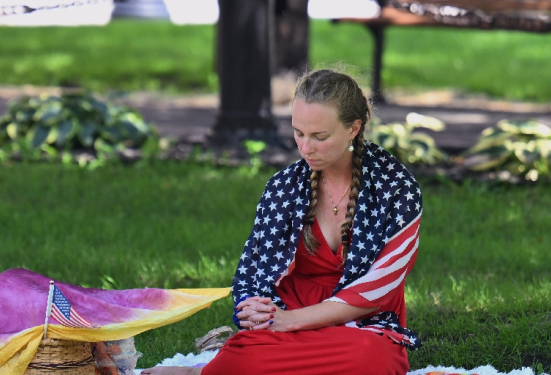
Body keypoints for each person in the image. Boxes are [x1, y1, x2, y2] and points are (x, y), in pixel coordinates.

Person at [143, 69, 422, 375]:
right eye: (298, 133)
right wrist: (255, 309)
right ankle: (213, 369)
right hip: (291, 307)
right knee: (246, 358)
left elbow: (380, 288)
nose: (305, 147)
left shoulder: (397, 188)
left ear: (353, 128)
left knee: (370, 358)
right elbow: (254, 266)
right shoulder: (284, 186)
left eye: (320, 136)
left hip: (362, 321)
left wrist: (291, 323)